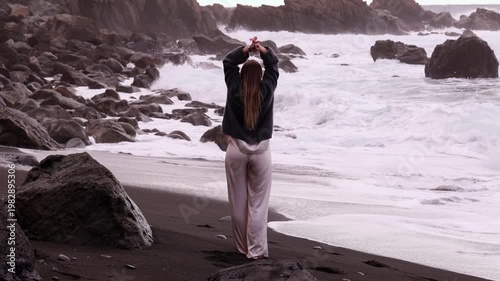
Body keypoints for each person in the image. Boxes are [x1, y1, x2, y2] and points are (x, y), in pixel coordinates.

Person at [222, 37, 279, 259]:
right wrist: (262, 50)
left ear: (242, 75)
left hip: (236, 150)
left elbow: (228, 62)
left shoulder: (234, 87)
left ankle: (241, 247)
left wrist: (246, 50)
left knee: (238, 201)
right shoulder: (267, 89)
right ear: (261, 76)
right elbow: (273, 66)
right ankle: (256, 250)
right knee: (258, 203)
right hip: (262, 152)